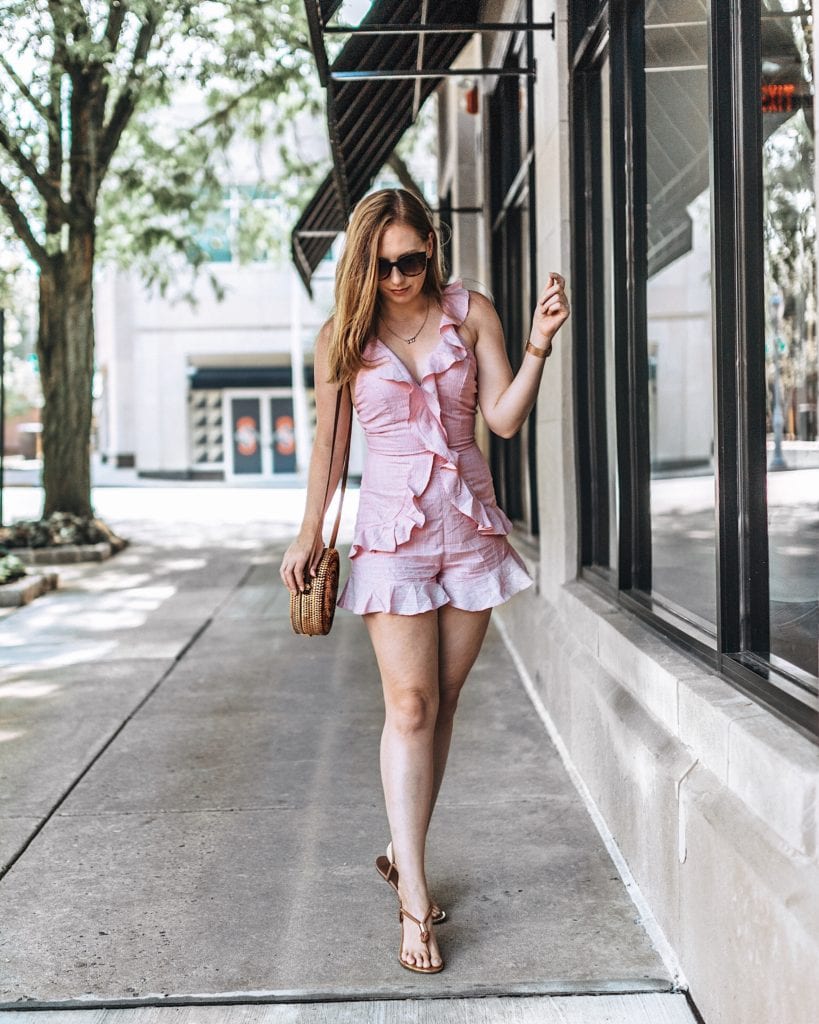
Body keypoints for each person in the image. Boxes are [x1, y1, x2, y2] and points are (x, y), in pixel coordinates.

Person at [280, 188, 570, 975]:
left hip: (468, 527)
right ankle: (413, 893)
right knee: (408, 707)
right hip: (391, 535)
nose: (400, 277)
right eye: (383, 266)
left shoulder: (469, 313)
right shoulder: (341, 337)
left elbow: (503, 420)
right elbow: (329, 452)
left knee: (441, 706)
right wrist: (310, 532)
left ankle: (400, 848)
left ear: (431, 248)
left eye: (412, 260)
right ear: (362, 265)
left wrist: (540, 343)